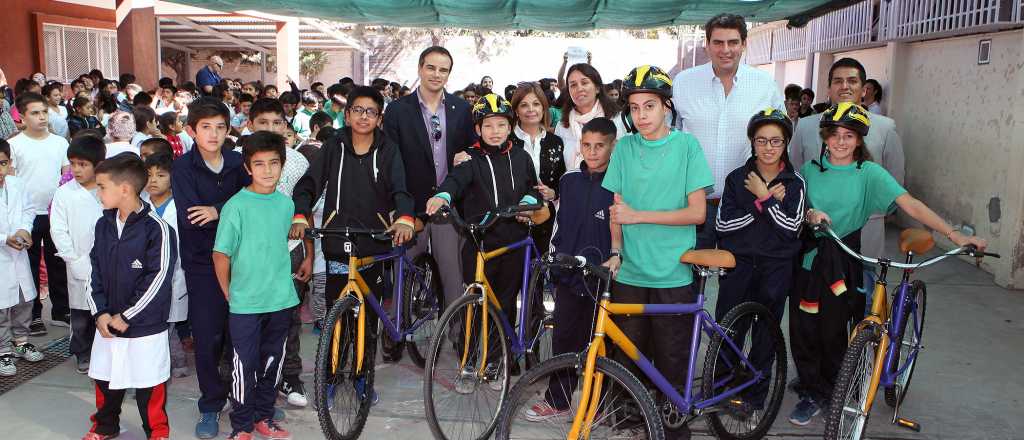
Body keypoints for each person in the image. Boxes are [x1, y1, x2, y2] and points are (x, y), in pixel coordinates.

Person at [789, 102, 987, 426]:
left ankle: (829, 391)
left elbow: (910, 203)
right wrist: (809, 215)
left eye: (849, 136)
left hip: (845, 260)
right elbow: (797, 208)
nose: (841, 142)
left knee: (832, 333)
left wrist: (954, 235)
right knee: (802, 329)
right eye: (835, 135)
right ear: (824, 137)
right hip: (809, 259)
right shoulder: (810, 170)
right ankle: (812, 389)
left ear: (859, 140)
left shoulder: (869, 174)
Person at [603, 66, 714, 440]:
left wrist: (640, 215)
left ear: (667, 106)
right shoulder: (624, 149)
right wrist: (616, 250)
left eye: (649, 105)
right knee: (628, 357)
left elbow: (698, 212)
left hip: (673, 271)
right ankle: (634, 423)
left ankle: (672, 429)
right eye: (634, 108)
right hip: (631, 272)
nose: (641, 115)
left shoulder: (686, 146)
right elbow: (616, 211)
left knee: (671, 358)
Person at [425, 94, 547, 384]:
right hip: (478, 242)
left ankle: (496, 358)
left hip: (514, 242)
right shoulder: (470, 159)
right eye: (488, 125)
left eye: (502, 124)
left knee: (504, 303)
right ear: (478, 129)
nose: (495, 131)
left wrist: (528, 201)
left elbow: (532, 186)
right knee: (473, 302)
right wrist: (443, 195)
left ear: (510, 127)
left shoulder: (520, 156)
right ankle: (469, 357)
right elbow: (454, 182)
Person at [292, 85, 415, 370]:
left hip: (373, 241)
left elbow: (401, 189)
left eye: (371, 112)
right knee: (337, 315)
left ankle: (362, 377)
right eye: (357, 110)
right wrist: (300, 213)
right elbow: (310, 183)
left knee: (367, 319)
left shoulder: (388, 149)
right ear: (347, 115)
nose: (363, 117)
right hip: (337, 241)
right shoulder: (333, 146)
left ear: (379, 118)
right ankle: (331, 377)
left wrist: (404, 217)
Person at [524, 117, 615, 421]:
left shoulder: (621, 182)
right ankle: (558, 399)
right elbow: (559, 225)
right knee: (563, 337)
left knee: (599, 343)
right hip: (568, 272)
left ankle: (597, 402)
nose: (592, 152)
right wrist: (554, 258)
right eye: (586, 145)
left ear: (612, 146)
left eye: (599, 146)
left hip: (602, 277)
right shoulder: (569, 180)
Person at [714, 108, 804, 413]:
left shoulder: (794, 183)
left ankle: (754, 395)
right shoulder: (736, 178)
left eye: (775, 141)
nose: (768, 147)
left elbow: (792, 229)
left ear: (785, 144)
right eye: (761, 140)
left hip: (776, 268)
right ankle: (721, 386)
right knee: (728, 328)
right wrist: (762, 202)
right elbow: (723, 224)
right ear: (752, 142)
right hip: (737, 265)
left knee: (766, 333)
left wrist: (765, 199)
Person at [788, 57, 905, 291]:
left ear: (864, 90)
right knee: (816, 311)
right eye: (838, 81)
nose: (845, 86)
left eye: (852, 81)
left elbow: (895, 179)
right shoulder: (806, 126)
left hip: (865, 235)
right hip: (815, 237)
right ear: (829, 88)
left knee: (864, 308)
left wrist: (868, 210)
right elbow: (795, 176)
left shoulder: (884, 127)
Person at [172, 98, 251, 439]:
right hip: (202, 265)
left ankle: (246, 401)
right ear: (191, 131)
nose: (214, 134)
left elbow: (250, 203)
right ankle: (210, 404)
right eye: (206, 127)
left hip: (243, 261)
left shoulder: (237, 162)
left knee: (243, 336)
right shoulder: (183, 167)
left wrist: (218, 210)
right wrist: (228, 212)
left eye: (220, 126)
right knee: (208, 337)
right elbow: (193, 218)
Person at [673, 13, 786, 252]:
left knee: (738, 282)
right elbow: (669, 138)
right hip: (692, 204)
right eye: (718, 42)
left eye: (733, 42)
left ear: (744, 44)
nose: (726, 50)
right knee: (687, 281)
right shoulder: (683, 83)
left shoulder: (765, 85)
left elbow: (781, 140)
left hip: (746, 204)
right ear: (707, 44)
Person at [212, 132, 298, 440]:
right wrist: (228, 291)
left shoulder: (286, 205)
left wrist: (305, 258)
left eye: (274, 163)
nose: (267, 170)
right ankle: (242, 425)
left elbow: (289, 241)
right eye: (259, 164)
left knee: (272, 364)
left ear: (282, 165)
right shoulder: (236, 206)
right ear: (247, 168)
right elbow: (221, 254)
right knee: (243, 366)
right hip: (245, 303)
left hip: (281, 300)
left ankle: (264, 417)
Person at [84, 152, 175, 440]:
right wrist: (100, 313)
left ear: (124, 189)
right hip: (108, 322)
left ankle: (157, 432)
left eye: (101, 186)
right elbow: (93, 270)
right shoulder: (103, 224)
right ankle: (104, 426)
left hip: (144, 326)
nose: (98, 192)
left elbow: (158, 278)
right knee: (105, 378)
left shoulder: (158, 229)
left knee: (150, 384)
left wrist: (128, 316)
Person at [382, 46, 476, 312]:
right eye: (431, 67)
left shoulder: (461, 109)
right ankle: (397, 335)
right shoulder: (398, 110)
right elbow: (392, 159)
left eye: (443, 70)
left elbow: (473, 149)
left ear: (449, 74)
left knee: (452, 274)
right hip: (411, 205)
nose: (436, 74)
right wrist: (398, 206)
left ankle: (459, 336)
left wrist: (465, 155)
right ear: (420, 68)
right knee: (406, 269)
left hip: (449, 205)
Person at [241, 97, 310, 407]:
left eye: (276, 123)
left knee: (289, 317)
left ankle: (289, 376)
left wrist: (308, 253)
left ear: (286, 126)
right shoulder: (236, 160)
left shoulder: (299, 162)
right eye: (262, 123)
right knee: (249, 319)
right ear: (249, 125)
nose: (270, 129)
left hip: (290, 251)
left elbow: (307, 211)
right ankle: (246, 379)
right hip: (249, 254)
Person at [9, 92, 71, 336]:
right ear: (22, 117)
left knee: (58, 262)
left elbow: (66, 177)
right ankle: (34, 313)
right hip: (27, 216)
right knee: (30, 265)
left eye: (44, 112)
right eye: (35, 113)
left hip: (55, 213)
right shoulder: (15, 145)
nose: (42, 117)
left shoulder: (60, 143)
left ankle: (61, 310)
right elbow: (12, 183)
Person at [50, 135, 106, 375]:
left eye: (83, 164)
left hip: (106, 261)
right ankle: (82, 351)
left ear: (98, 164)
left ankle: (103, 353)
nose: (77, 169)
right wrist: (72, 257)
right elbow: (58, 228)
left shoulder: (107, 190)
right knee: (81, 313)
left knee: (102, 309)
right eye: (73, 164)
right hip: (77, 260)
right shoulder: (65, 193)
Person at [0, 139, 45, 377]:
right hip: (2, 252)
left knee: (22, 299)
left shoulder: (17, 184)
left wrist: (24, 230)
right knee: (0, 306)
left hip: (18, 252)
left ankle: (21, 341)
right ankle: (3, 350)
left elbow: (29, 210)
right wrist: (4, 237)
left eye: (3, 163)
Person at [510, 83, 566, 252]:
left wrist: (553, 192)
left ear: (543, 108)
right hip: (513, 219)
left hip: (545, 218)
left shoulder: (555, 142)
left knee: (540, 273)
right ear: (516, 111)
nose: (531, 109)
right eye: (524, 105)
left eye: (536, 104)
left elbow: (560, 179)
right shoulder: (507, 142)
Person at [555, 63, 625, 168]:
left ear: (597, 88)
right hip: (572, 183)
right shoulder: (563, 126)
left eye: (584, 83)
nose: (579, 89)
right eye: (573, 85)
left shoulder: (617, 119)